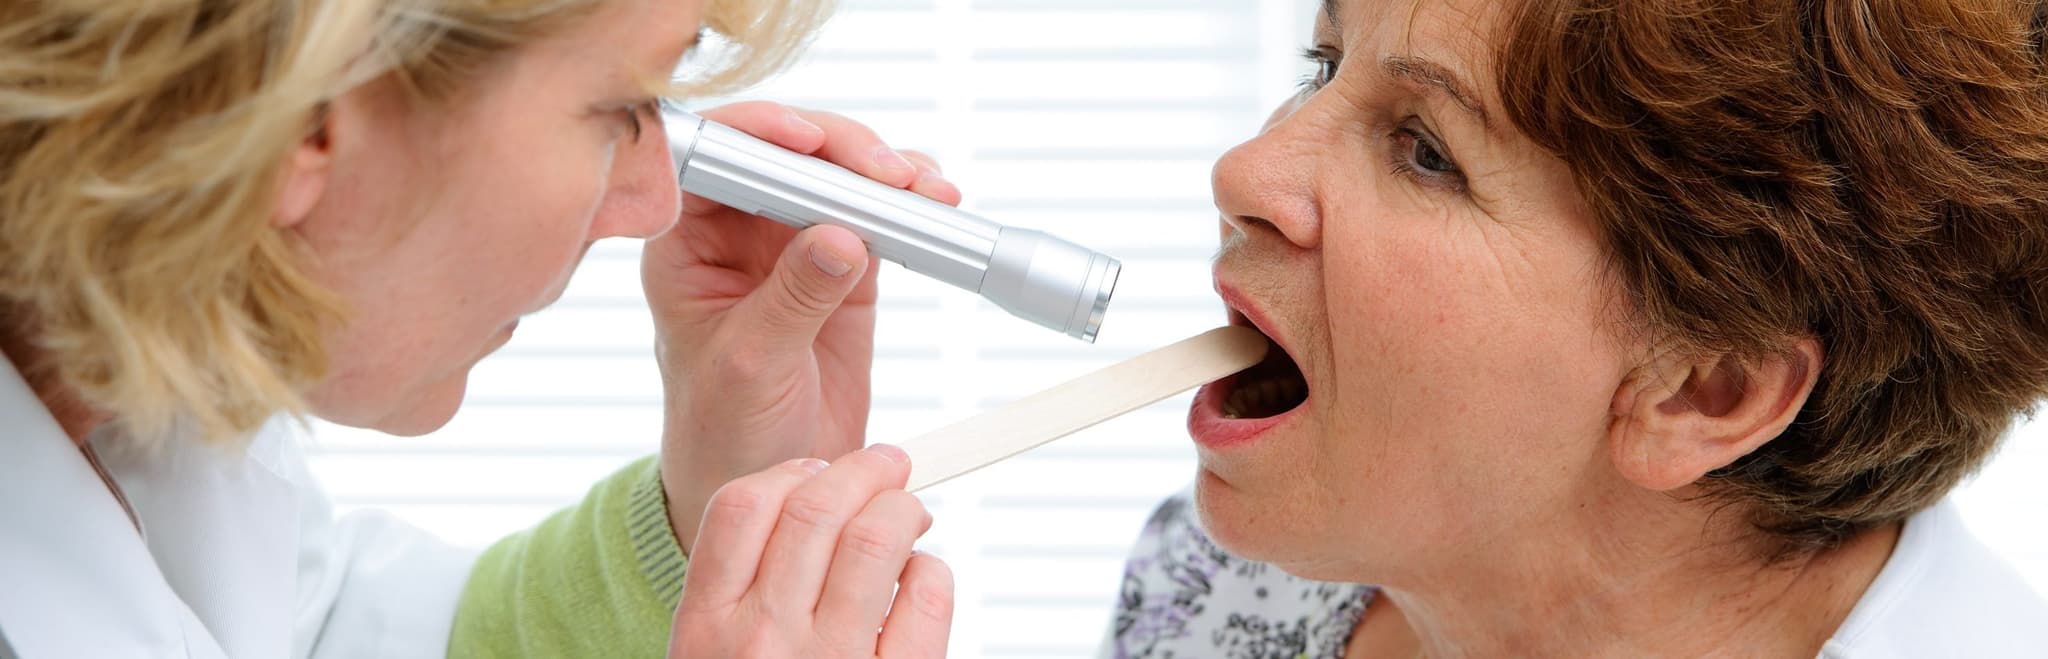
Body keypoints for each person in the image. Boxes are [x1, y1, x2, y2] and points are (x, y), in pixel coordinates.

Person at [0, 0, 956, 656]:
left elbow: (346, 635)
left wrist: (702, 515)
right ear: (294, 117)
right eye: (621, 107)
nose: (657, 202)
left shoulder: (156, 437)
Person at [1100, 0, 2048, 656]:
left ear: (1702, 391)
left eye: (1428, 152)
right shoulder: (1210, 584)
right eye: (1324, 65)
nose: (1246, 171)